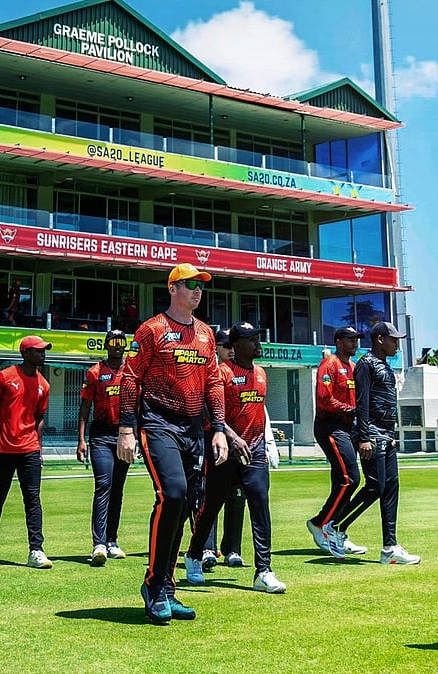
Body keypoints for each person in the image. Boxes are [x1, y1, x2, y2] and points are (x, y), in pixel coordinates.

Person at [119, 263, 227, 625]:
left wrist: (219, 428)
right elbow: (130, 378)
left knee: (183, 507)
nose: (198, 290)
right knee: (174, 494)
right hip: (157, 421)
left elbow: (214, 381)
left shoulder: (206, 334)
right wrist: (125, 429)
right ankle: (153, 584)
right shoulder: (151, 330)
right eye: (190, 284)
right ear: (173, 288)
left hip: (194, 428)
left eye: (201, 285)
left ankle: (167, 587)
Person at [183, 322, 286, 594]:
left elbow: (258, 414)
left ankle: (263, 570)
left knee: (260, 505)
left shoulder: (262, 374)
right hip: (225, 453)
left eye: (257, 338)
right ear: (236, 345)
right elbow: (209, 411)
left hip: (255, 454)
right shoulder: (221, 373)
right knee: (212, 505)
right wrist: (232, 438)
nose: (257, 344)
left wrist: (268, 442)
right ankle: (194, 554)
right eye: (251, 340)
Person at [333, 321, 421, 565]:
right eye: (393, 339)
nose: (397, 344)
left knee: (391, 488)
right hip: (371, 433)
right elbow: (361, 402)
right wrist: (363, 437)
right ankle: (335, 526)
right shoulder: (366, 364)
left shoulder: (384, 365)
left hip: (387, 433)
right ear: (380, 339)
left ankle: (390, 547)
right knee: (375, 487)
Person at [0, 335, 53, 569]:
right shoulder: (5, 376)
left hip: (29, 449)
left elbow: (39, 418)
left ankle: (36, 550)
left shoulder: (44, 384)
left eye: (44, 351)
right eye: (38, 350)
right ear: (25, 353)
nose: (43, 354)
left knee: (33, 500)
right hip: (2, 448)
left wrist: (39, 448)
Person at [306, 326, 369, 558]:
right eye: (351, 340)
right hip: (331, 426)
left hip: (347, 426)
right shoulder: (329, 364)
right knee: (350, 479)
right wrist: (349, 410)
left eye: (357, 340)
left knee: (341, 480)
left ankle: (335, 529)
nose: (355, 343)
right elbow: (324, 399)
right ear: (339, 341)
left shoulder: (353, 367)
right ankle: (322, 524)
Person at [77, 329, 131, 566]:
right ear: (106, 345)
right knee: (104, 485)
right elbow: (85, 408)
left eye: (122, 342)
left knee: (117, 489)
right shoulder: (95, 372)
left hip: (124, 436)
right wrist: (81, 439)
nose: (118, 346)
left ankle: (112, 541)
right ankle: (98, 544)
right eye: (113, 342)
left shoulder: (131, 372)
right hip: (101, 436)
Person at [199, 328, 245, 571]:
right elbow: (206, 406)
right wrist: (224, 432)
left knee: (237, 495)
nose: (231, 349)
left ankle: (232, 549)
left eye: (233, 345)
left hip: (238, 442)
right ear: (215, 346)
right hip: (211, 437)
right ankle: (206, 547)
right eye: (226, 344)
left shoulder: (243, 371)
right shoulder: (211, 370)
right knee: (210, 494)